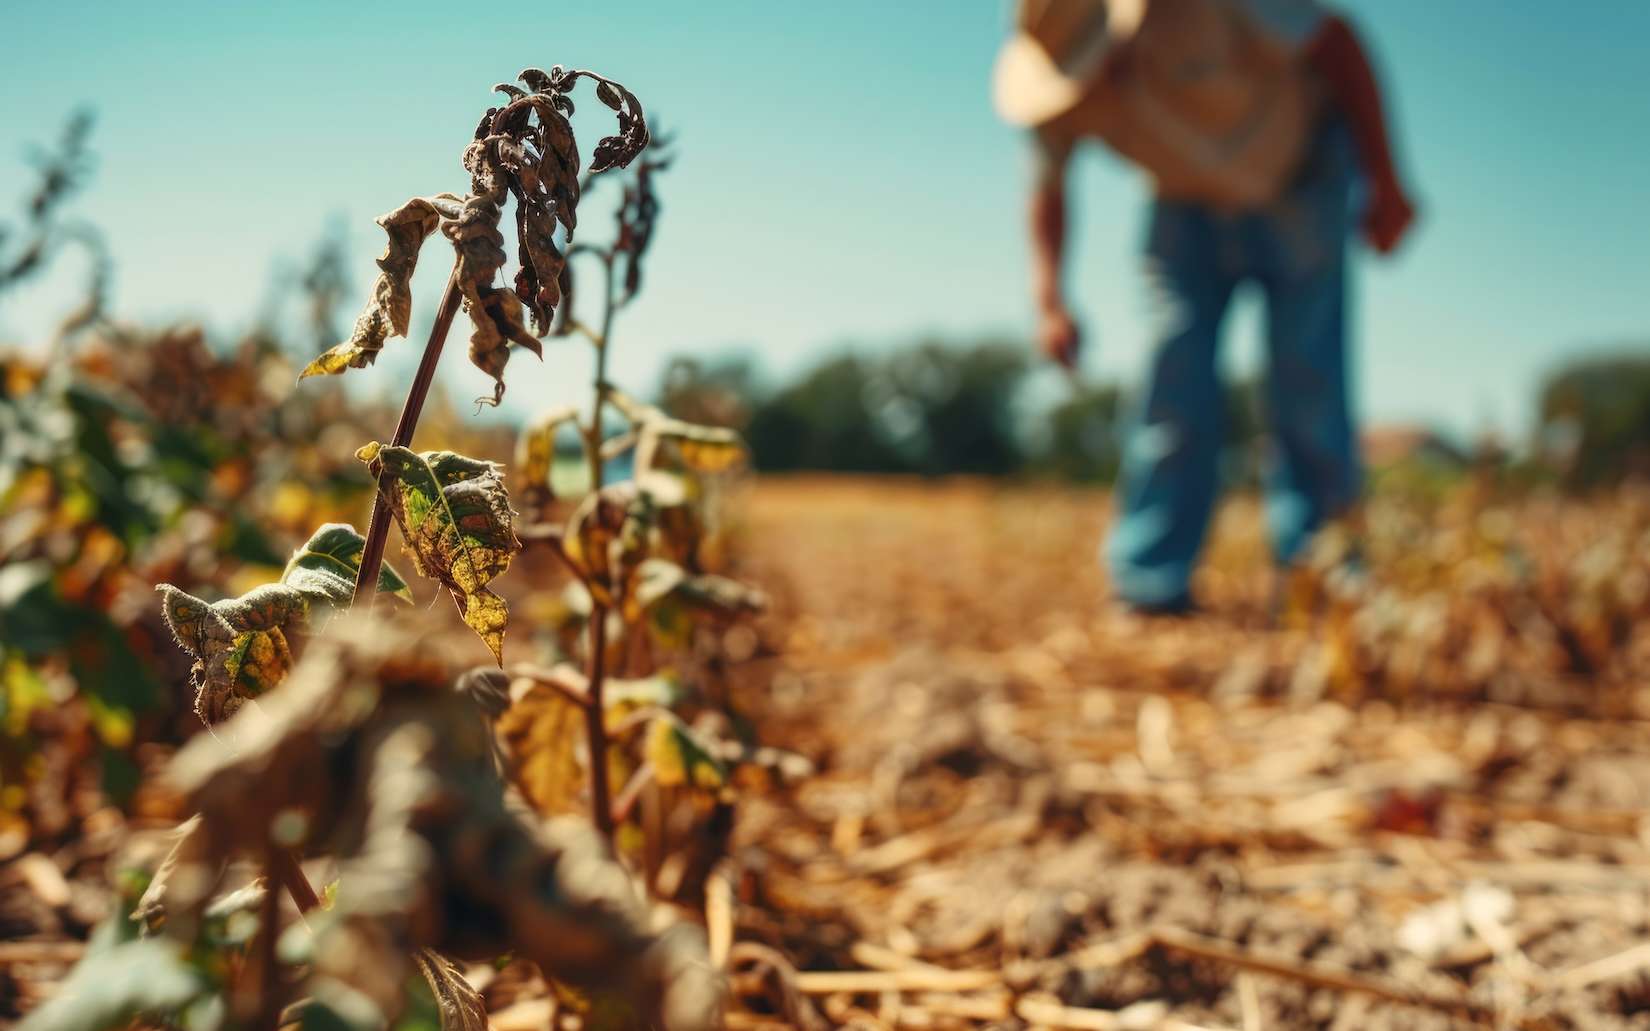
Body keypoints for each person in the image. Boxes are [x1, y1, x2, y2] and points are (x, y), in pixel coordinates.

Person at [994, 0, 1417, 613]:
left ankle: (1321, 582)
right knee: (1173, 379)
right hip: (1182, 201)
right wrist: (1050, 302)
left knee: (1308, 382)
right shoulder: (1061, 82)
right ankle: (1150, 581)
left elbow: (1340, 44)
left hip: (1299, 172)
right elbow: (1046, 190)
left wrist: (1386, 179)